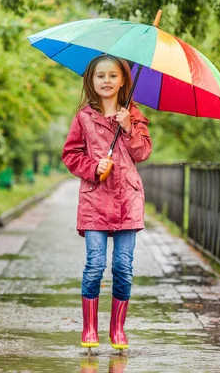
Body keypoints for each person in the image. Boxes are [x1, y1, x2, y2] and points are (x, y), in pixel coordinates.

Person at [62, 54, 152, 351]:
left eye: (113, 76)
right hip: (95, 199)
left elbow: (142, 154)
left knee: (123, 267)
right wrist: (92, 168)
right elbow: (71, 154)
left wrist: (128, 128)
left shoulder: (134, 115)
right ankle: (89, 328)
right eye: (100, 76)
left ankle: (117, 329)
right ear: (91, 80)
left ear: (123, 80)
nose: (106, 81)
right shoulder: (84, 117)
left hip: (127, 199)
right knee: (94, 265)